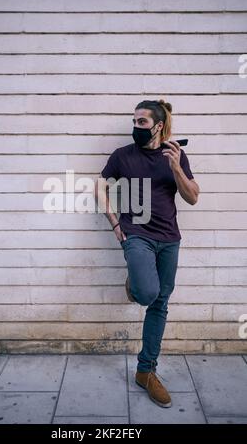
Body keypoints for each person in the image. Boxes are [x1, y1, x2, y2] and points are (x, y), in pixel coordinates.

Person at [94, 99, 200, 408]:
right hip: (136, 234)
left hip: (169, 239)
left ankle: (146, 371)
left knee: (160, 305)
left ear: (159, 126)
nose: (136, 127)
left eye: (142, 122)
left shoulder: (176, 156)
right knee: (147, 293)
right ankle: (137, 280)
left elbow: (192, 197)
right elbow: (99, 187)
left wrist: (176, 168)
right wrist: (115, 224)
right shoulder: (122, 156)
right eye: (134, 121)